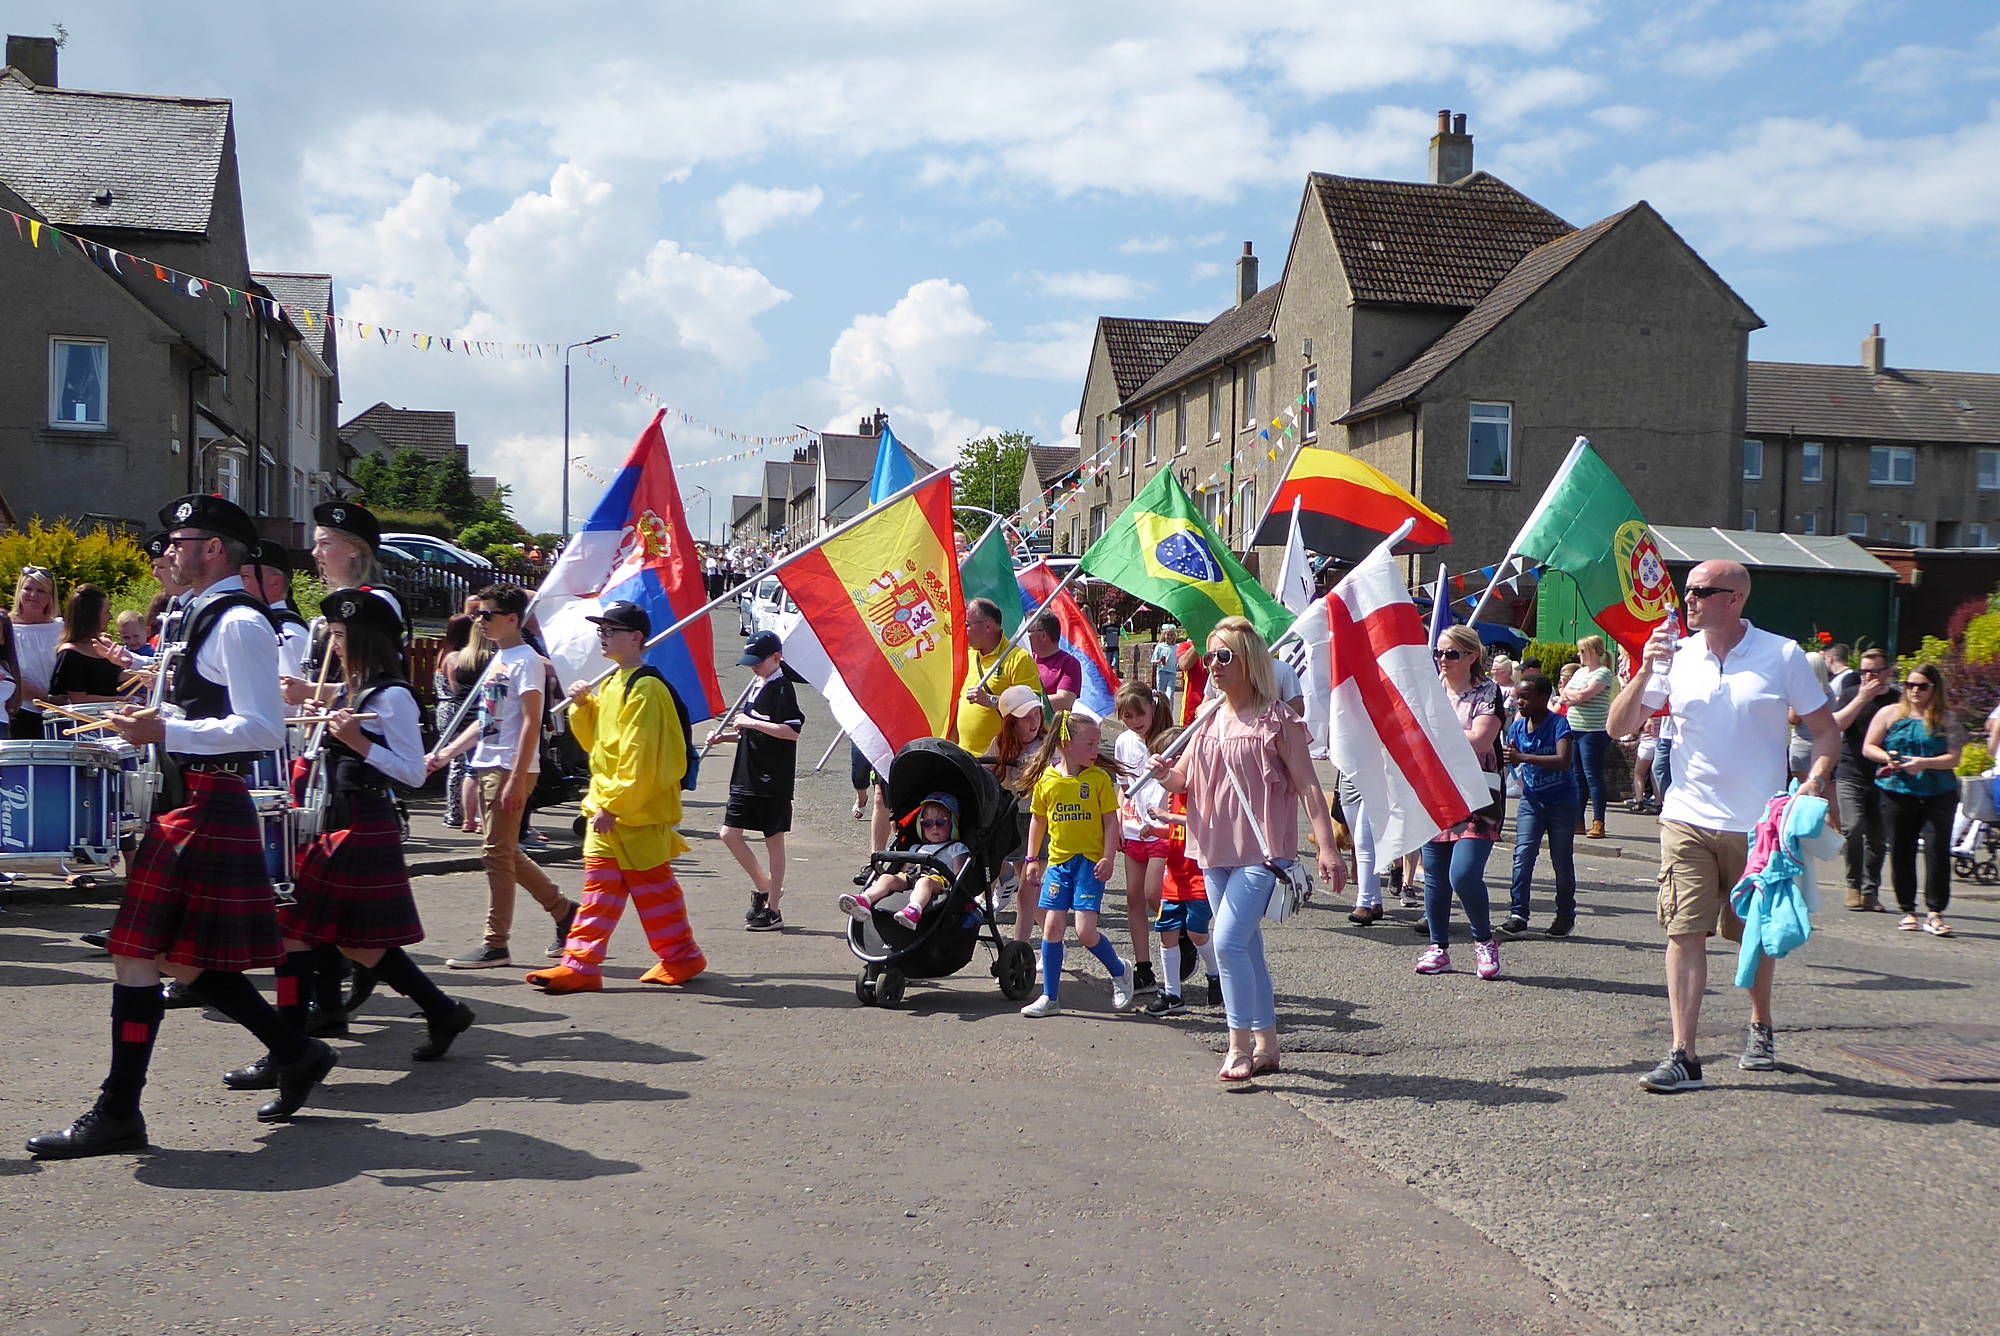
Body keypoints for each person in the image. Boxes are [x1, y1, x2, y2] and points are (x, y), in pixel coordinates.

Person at [28, 495, 337, 1160]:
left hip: (210, 797)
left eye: (181, 538)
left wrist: (165, 727)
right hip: (185, 797)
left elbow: (262, 727)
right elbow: (191, 708)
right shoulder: (196, 615)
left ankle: (119, 1112)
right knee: (177, 959)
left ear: (216, 548)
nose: (168, 549)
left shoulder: (239, 624)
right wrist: (135, 723)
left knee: (140, 953)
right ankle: (295, 1049)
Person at [1606, 560, 1838, 1094]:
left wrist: (1817, 778)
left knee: (1751, 936)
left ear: (1734, 598)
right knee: (1683, 931)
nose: (1687, 600)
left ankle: (1759, 1024)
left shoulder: (1782, 656)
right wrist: (1644, 669)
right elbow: (1620, 727)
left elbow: (1825, 733)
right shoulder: (1675, 655)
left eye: (1700, 592)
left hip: (1757, 827)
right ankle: (1683, 1054)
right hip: (1686, 816)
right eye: (1688, 590)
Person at [229, 586, 474, 1085]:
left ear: (365, 637)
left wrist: (358, 741)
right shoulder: (352, 691)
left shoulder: (393, 696)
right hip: (335, 821)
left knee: (293, 933)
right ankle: (441, 1010)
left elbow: (412, 772)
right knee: (360, 944)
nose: (332, 645)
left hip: (363, 822)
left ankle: (289, 1051)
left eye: (340, 635)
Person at [1149, 616, 1341, 1080]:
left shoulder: (1278, 718)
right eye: (1209, 655)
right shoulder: (1206, 716)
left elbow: (1311, 789)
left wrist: (1328, 848)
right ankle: (1267, 1045)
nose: (1212, 664)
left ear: (1248, 660)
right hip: (1213, 847)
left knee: (1227, 942)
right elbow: (1187, 781)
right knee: (1248, 948)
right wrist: (1162, 774)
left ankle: (1237, 1046)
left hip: (1264, 851)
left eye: (1223, 656)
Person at [530, 600, 707, 991]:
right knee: (604, 891)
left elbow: (643, 758)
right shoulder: (613, 682)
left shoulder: (645, 688)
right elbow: (599, 744)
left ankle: (680, 957)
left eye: (610, 630)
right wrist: (582, 707)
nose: (602, 636)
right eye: (601, 630)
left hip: (634, 812)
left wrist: (613, 804)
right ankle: (581, 965)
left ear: (636, 637)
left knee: (653, 893)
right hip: (613, 808)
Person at [427, 584, 577, 969]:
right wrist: (447, 752)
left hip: (509, 767)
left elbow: (531, 723)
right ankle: (565, 913)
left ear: (513, 619)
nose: (480, 620)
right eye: (477, 614)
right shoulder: (500, 659)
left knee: (496, 853)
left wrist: (515, 778)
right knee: (505, 851)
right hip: (491, 764)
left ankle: (496, 942)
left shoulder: (525, 661)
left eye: (488, 614)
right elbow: (487, 722)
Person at [1017, 711, 1133, 1018]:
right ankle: (1050, 997)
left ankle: (1120, 970)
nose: (1096, 750)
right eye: (1090, 743)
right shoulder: (1047, 780)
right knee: (1053, 927)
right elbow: (1038, 821)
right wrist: (1031, 859)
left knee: (1084, 931)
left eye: (1098, 743)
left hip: (1090, 864)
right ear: (1066, 744)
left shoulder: (1098, 780)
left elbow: (1111, 822)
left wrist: (1108, 856)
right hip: (1059, 862)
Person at [1415, 623, 1505, 978]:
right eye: (1438, 653)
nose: (1442, 660)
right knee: (1435, 875)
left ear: (1472, 656)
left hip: (1477, 793)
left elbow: (1481, 741)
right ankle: (1438, 947)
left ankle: (1484, 940)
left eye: (1451, 654)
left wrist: (1433, 730)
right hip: (1435, 790)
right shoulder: (1428, 692)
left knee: (1463, 874)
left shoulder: (1488, 692)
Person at [710, 629, 804, 932]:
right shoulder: (756, 684)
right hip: (745, 774)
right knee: (729, 833)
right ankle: (764, 886)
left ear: (776, 658)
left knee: (773, 840)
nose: (753, 666)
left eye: (758, 661)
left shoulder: (782, 688)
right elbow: (752, 731)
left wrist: (750, 721)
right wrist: (724, 736)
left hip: (772, 778)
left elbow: (791, 731)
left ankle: (774, 909)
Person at [1862, 663, 1963, 937]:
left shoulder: (1946, 719)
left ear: (1934, 689)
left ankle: (1935, 912)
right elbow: (1869, 746)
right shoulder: (1890, 713)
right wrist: (1888, 759)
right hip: (1896, 790)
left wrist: (1925, 763)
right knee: (1900, 849)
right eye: (1909, 685)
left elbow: (1954, 757)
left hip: (1937, 793)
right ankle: (1907, 910)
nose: (1914, 691)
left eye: (1922, 686)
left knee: (1937, 850)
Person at [1141, 728, 1219, 1015]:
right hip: (1174, 875)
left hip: (1198, 874)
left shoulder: (1198, 788)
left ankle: (1215, 973)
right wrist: (1159, 830)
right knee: (1167, 931)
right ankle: (1173, 993)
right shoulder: (1173, 795)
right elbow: (1178, 832)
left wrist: (1167, 817)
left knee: (1198, 933)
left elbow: (1201, 823)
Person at [1500, 673, 1580, 937]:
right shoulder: (1518, 728)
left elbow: (1563, 760)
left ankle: (1565, 916)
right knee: (1523, 856)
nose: (1519, 702)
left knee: (1561, 859)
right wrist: (1512, 767)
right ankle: (1518, 913)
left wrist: (1523, 757)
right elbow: (1511, 758)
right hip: (1532, 801)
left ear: (1544, 698)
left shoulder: (1558, 724)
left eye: (1526, 697)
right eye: (1517, 696)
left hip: (1562, 802)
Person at [1113, 683, 1172, 997]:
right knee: (1133, 898)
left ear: (1153, 707)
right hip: (1134, 828)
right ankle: (1144, 968)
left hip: (1163, 828)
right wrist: (1120, 816)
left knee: (1154, 895)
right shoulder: (1123, 741)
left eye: (1139, 714)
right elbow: (1124, 785)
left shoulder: (1171, 739)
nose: (1134, 721)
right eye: (1127, 716)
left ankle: (1182, 942)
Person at [838, 793, 972, 929]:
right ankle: (864, 900)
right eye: (927, 823)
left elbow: (959, 875)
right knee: (886, 878)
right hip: (911, 877)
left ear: (953, 824)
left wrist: (955, 890)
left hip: (938, 881)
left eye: (941, 822)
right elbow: (905, 871)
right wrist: (892, 879)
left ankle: (914, 910)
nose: (934, 828)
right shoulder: (916, 847)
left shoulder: (956, 847)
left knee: (923, 882)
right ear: (921, 825)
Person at [1831, 648, 1896, 912]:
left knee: (1878, 837)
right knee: (1853, 827)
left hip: (1883, 776)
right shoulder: (1850, 694)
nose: (1868, 676)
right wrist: (1861, 698)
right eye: (1864, 671)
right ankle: (1853, 885)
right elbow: (1837, 725)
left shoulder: (1897, 699)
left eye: (1874, 671)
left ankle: (1871, 891)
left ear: (1887, 672)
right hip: (1851, 771)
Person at [985, 684, 1045, 942]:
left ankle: (1032, 943)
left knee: (1029, 888)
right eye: (1025, 717)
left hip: (1040, 821)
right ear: (1010, 722)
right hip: (1012, 819)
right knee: (1027, 886)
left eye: (1037, 714)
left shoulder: (1047, 746)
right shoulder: (999, 744)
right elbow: (986, 773)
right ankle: (1049, 938)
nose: (1033, 722)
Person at [954, 598, 1038, 758]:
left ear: (988, 625)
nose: (963, 630)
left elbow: (1034, 707)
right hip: (965, 755)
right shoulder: (969, 656)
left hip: (1001, 758)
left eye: (967, 625)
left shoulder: (1018, 658)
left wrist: (991, 701)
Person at [1561, 635, 1616, 839]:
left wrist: (1574, 697)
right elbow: (1565, 692)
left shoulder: (1603, 673)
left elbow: (1582, 696)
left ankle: (1598, 821)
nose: (1579, 655)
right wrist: (1574, 696)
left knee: (1593, 776)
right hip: (1574, 729)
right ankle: (1578, 820)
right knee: (1577, 777)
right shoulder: (1580, 672)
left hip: (1593, 731)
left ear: (1592, 652)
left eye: (1582, 651)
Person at [48, 584, 131, 706]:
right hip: (83, 721)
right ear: (91, 617)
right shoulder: (70, 654)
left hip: (108, 718)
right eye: (106, 612)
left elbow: (112, 676)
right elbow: (79, 699)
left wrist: (144, 674)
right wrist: (122, 701)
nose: (110, 617)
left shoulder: (102, 645)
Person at [432, 614, 478, 830]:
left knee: (457, 761)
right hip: (453, 709)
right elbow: (456, 689)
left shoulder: (444, 653)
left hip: (443, 708)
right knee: (458, 762)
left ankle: (456, 811)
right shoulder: (456, 657)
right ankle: (455, 811)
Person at [241, 541, 310, 680]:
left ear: (275, 582)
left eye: (244, 577)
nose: (237, 584)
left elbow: (290, 697)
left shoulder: (287, 636)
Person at [8, 564, 61, 738]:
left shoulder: (61, 628)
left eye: (41, 591)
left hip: (59, 715)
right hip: (19, 713)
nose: (33, 595)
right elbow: (10, 679)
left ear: (50, 596)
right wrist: (47, 699)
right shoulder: (6, 628)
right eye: (28, 589)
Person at [1788, 651, 1834, 782]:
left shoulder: (1804, 690)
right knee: (1821, 788)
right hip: (1824, 746)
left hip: (1803, 746)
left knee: (1801, 789)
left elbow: (1793, 719)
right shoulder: (1829, 691)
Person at [1027, 613, 1082, 713]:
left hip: (1052, 728)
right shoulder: (1026, 660)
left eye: (1028, 631)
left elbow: (1064, 701)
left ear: (1043, 635)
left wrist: (1024, 703)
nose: (1025, 636)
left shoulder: (1069, 664)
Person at [1150, 626, 1180, 710]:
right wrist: (1160, 660)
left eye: (1171, 635)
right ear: (1164, 635)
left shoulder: (1176, 647)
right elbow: (1153, 661)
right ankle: (1161, 714)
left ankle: (1169, 715)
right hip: (1162, 673)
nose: (1169, 637)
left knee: (1170, 695)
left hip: (1172, 673)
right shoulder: (1160, 647)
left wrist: (1178, 666)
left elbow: (1178, 660)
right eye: (1168, 635)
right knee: (1161, 695)